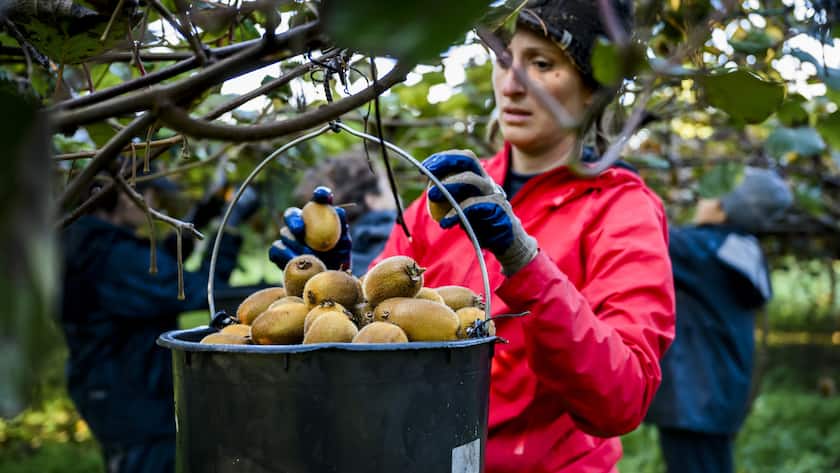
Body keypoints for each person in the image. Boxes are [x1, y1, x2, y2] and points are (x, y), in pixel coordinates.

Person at [270, 1, 676, 471]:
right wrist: (331, 279)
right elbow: (381, 327)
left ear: (593, 89)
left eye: (541, 64)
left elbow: (621, 400)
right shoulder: (447, 198)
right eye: (504, 62)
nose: (511, 84)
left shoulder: (623, 210)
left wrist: (524, 260)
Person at [59, 170, 259, 473]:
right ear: (118, 196)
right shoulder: (115, 257)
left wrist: (200, 216)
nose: (154, 202)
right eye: (147, 193)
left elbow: (158, 269)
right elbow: (201, 290)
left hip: (106, 385)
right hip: (136, 399)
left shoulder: (88, 244)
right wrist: (228, 231)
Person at [645, 168, 793, 473]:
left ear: (723, 206)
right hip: (718, 397)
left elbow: (641, 232)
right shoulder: (741, 250)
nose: (700, 201)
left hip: (693, 399)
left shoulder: (701, 250)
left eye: (707, 194)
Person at [273, 149, 397, 277]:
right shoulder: (391, 228)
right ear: (371, 198)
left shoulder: (321, 244)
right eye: (388, 187)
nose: (396, 196)